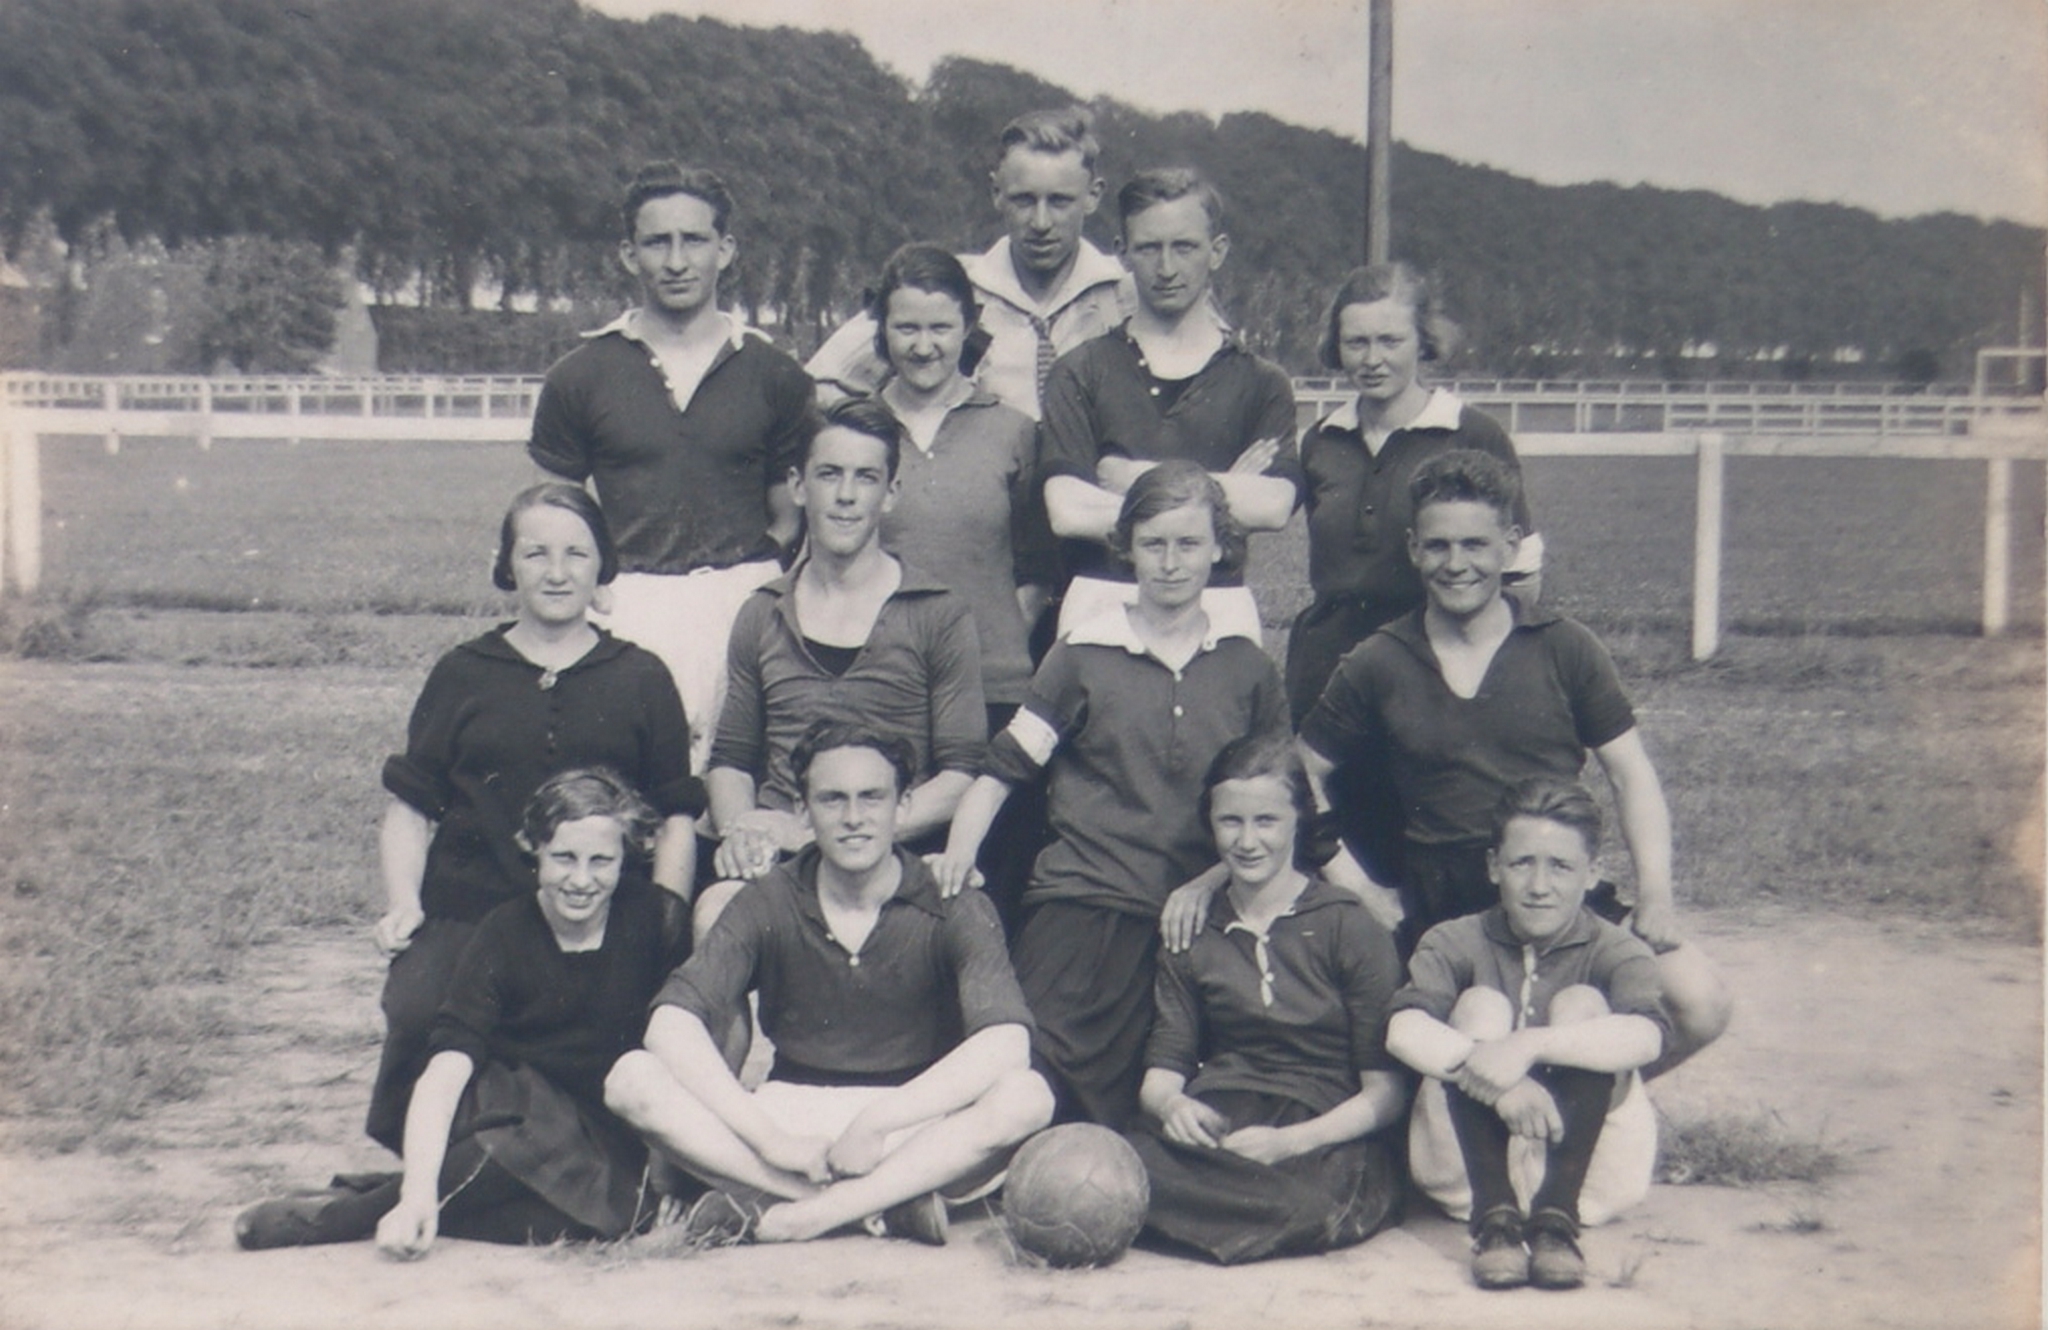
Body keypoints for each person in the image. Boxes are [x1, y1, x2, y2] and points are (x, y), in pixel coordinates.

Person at [1291, 448, 1731, 1059]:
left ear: (1510, 547)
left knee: (1699, 999)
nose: (1456, 564)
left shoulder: (1565, 649)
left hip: (1553, 887)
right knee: (1447, 1031)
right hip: (1443, 908)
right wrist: (1357, 885)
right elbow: (1299, 773)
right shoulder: (1380, 660)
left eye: (1475, 545)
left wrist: (1655, 894)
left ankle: (1588, 1099)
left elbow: (1631, 775)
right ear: (1414, 549)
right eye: (1438, 546)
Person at [936, 462, 1288, 1131]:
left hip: (1199, 914)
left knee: (1176, 1105)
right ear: (1126, 548)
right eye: (1153, 544)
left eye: (1188, 544)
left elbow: (1281, 808)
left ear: (1219, 548)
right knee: (1029, 1082)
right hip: (1084, 905)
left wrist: (1208, 882)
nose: (1171, 563)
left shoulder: (1246, 667)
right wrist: (958, 854)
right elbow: (1002, 772)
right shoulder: (1083, 654)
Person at [605, 722, 1054, 1245]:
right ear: (802, 811)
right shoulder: (770, 896)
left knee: (1028, 1095)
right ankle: (875, 1205)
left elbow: (1007, 1044)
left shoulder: (951, 897)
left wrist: (878, 1122)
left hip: (911, 1122)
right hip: (795, 1120)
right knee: (632, 1078)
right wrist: (770, 1141)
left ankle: (802, 1214)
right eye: (832, 799)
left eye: (872, 797)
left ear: (903, 806)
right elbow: (669, 1024)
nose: (853, 818)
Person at [367, 483, 701, 1155]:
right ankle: (444, 1157)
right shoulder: (462, 673)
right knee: (420, 1007)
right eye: (535, 553)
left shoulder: (641, 677)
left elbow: (675, 818)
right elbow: (410, 807)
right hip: (473, 907)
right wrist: (405, 904)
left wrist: (664, 918)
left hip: (597, 906)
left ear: (602, 567)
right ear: (508, 565)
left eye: (576, 554)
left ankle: (589, 1159)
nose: (556, 572)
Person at [237, 770, 681, 1253]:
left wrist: (673, 1165)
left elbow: (694, 1037)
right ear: (533, 849)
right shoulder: (504, 932)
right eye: (563, 858)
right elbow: (447, 1067)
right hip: (515, 1115)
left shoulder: (654, 918)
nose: (581, 879)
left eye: (601, 861)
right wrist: (418, 1194)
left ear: (626, 857)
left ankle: (379, 1201)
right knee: (516, 1134)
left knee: (600, 1222)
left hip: (609, 1123)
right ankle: (351, 1216)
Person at [529, 161, 816, 773]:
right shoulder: (579, 376)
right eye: (658, 242)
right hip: (626, 602)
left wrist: (752, 581)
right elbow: (555, 513)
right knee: (620, 785)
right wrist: (597, 589)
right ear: (629, 254)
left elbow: (791, 511)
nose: (677, 261)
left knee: (739, 781)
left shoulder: (776, 374)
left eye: (695, 240)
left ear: (725, 249)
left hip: (742, 601)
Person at [1286, 263, 1542, 891]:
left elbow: (1522, 575)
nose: (1372, 359)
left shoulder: (1471, 432)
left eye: (1389, 340)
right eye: (1356, 342)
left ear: (1423, 341)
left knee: (1432, 851)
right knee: (1334, 847)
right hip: (1327, 670)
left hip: (1427, 670)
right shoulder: (1321, 440)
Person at [1125, 734, 1408, 1265]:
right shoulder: (1193, 929)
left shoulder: (1347, 923)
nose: (1248, 841)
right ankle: (1214, 1209)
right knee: (1120, 1164)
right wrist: (1173, 1106)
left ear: (1299, 820)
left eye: (1267, 821)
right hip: (1224, 1115)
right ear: (1210, 823)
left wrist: (1290, 1143)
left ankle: (1193, 1216)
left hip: (1320, 1129)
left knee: (1310, 1201)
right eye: (1230, 821)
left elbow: (1387, 1094)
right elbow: (1162, 1074)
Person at [702, 396, 986, 912]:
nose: (847, 496)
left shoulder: (937, 612)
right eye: (829, 474)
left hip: (890, 859)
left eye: (866, 478)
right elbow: (731, 761)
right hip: (782, 859)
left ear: (891, 493)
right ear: (798, 486)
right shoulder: (762, 612)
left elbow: (960, 774)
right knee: (717, 909)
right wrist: (742, 832)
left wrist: (835, 831)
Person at [1386, 777, 1668, 1290]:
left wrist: (1528, 1045)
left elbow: (1648, 1037)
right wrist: (1501, 1081)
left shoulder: (1615, 947)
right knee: (1481, 1005)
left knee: (1583, 1004)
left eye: (1560, 866)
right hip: (1466, 1177)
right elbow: (1403, 1029)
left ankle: (1556, 1221)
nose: (1539, 886)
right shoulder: (1455, 938)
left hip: (1589, 1179)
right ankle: (1495, 1221)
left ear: (1592, 873)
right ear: (1494, 866)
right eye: (1521, 864)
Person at [867, 242, 1059, 931]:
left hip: (992, 692)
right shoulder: (855, 428)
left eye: (940, 328)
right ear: (882, 329)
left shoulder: (1013, 431)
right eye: (906, 327)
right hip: (886, 689)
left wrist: (993, 641)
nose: (923, 346)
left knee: (986, 892)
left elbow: (1037, 569)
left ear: (968, 327)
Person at [1037, 168, 1302, 640]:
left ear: (1217, 251)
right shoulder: (1079, 370)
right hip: (1102, 604)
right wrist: (1219, 496)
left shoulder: (1262, 382)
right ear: (1122, 252)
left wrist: (1132, 477)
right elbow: (1068, 512)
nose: (1166, 268)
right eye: (1148, 248)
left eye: (1184, 247)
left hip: (1217, 606)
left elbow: (1273, 506)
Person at [807, 107, 1132, 422]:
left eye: (1060, 201)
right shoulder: (948, 286)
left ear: (1093, 195)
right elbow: (820, 384)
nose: (1041, 222)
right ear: (996, 193)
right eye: (1023, 200)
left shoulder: (1126, 295)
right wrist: (889, 434)